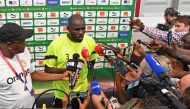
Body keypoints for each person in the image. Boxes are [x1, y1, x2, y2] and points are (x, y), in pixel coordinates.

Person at [0, 23, 71, 108]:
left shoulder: (24, 52)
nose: (25, 44)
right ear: (9, 45)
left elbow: (34, 74)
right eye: (22, 41)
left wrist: (61, 76)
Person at [43, 14, 98, 108]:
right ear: (68, 28)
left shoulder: (90, 42)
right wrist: (65, 71)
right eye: (77, 29)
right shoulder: (56, 44)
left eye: (83, 28)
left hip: (82, 93)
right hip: (62, 94)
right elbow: (47, 69)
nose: (81, 32)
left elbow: (91, 64)